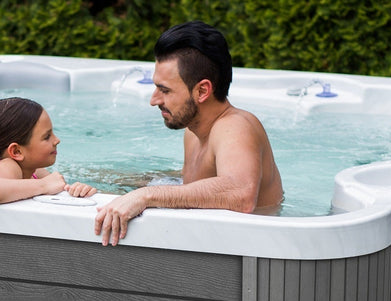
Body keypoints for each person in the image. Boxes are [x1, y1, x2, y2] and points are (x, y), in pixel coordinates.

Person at [93, 21, 283, 245]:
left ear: (202, 90)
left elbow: (241, 194)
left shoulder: (237, 126)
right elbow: (196, 185)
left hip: (256, 254)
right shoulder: (193, 132)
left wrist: (145, 196)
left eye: (165, 90)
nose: (154, 100)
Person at [0, 97, 97, 205]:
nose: (57, 140)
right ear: (16, 151)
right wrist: (43, 185)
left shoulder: (35, 171)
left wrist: (78, 190)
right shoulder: (9, 166)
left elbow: (56, 187)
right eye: (47, 137)